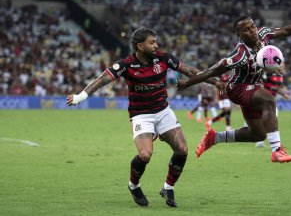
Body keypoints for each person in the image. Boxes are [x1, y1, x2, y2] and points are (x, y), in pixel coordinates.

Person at [67, 28, 222, 207]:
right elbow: (102, 79)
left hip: (163, 111)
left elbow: (190, 71)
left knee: (182, 150)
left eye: (155, 41)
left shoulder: (164, 58)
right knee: (145, 155)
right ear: (140, 46)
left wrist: (215, 81)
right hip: (141, 115)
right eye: (152, 42)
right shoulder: (126, 64)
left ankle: (168, 187)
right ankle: (134, 185)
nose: (156, 45)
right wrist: (81, 96)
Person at [177, 15, 291, 163]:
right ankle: (277, 150)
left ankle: (215, 137)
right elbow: (210, 72)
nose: (252, 31)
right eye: (245, 30)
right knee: (268, 100)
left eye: (252, 26)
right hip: (237, 89)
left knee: (258, 135)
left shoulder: (264, 35)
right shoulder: (238, 55)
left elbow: (286, 30)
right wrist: (187, 83)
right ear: (239, 35)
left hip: (253, 88)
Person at [255, 63, 291, 148]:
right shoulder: (269, 73)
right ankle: (271, 142)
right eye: (282, 64)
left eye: (283, 64)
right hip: (264, 100)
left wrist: (284, 95)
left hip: (271, 101)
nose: (283, 66)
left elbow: (277, 89)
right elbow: (260, 84)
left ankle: (262, 140)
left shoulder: (281, 75)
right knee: (270, 120)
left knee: (270, 120)